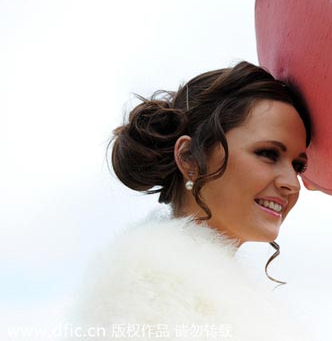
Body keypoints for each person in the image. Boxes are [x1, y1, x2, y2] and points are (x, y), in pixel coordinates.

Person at [69, 62, 312, 341]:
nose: (291, 183)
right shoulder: (152, 285)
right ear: (189, 158)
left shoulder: (213, 292)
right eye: (268, 153)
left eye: (298, 166)